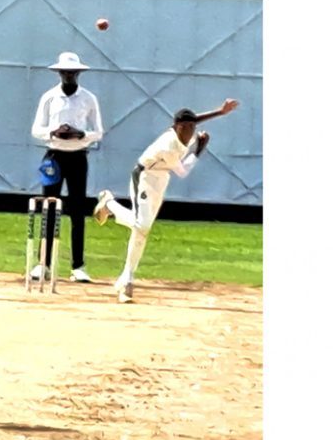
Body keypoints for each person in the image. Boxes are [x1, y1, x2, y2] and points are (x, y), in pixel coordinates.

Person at [93, 99, 240, 303]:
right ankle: (109, 202)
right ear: (176, 127)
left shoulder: (187, 129)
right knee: (141, 224)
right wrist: (198, 150)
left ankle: (127, 280)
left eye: (192, 127)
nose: (190, 132)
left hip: (161, 180)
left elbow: (193, 119)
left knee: (142, 232)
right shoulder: (168, 145)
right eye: (186, 128)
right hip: (144, 177)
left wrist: (220, 112)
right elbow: (182, 171)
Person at [30, 51, 104, 283]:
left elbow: (99, 132)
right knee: (49, 208)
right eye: (65, 72)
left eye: (73, 72)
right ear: (59, 73)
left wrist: (81, 134)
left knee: (77, 209)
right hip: (53, 156)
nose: (69, 76)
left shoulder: (88, 98)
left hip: (78, 156)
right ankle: (44, 264)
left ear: (78, 73)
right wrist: (54, 131)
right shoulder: (50, 97)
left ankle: (78, 266)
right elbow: (36, 129)